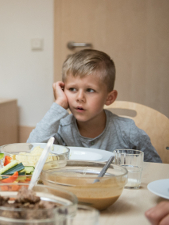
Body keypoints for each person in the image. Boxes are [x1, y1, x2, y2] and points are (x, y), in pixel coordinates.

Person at [27, 49, 161, 162]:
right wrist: (59, 105)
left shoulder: (128, 132)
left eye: (90, 90)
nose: (80, 98)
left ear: (109, 98)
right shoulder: (60, 128)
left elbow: (156, 169)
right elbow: (31, 149)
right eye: (72, 89)